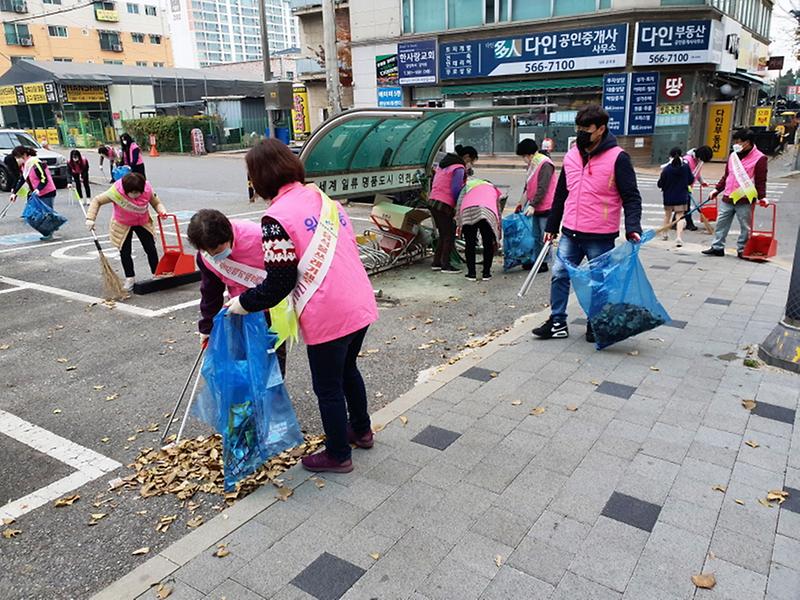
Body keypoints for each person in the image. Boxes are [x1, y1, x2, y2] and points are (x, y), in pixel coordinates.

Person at [226, 139, 378, 474]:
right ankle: (362, 430)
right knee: (348, 369)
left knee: (328, 386)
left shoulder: (275, 217)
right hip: (359, 300)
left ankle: (338, 454)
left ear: (260, 177)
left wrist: (242, 303)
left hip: (329, 310)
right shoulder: (325, 200)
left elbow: (279, 283)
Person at [533, 105, 643, 341]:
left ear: (601, 129)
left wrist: (633, 227)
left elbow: (631, 197)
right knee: (559, 275)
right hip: (570, 232)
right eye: (579, 129)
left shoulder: (618, 158)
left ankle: (596, 322)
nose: (581, 134)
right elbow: (561, 194)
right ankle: (557, 322)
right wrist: (551, 227)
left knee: (599, 281)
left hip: (600, 235)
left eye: (587, 129)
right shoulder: (572, 154)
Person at [186, 209, 287, 375]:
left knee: (272, 360)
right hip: (237, 309)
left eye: (218, 251)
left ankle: (272, 398)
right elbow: (211, 292)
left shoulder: (258, 237)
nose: (214, 256)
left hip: (272, 307)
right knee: (242, 361)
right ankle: (247, 399)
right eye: (208, 252)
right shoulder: (205, 254)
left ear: (229, 235)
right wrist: (207, 327)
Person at [86, 172, 166, 290]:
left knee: (150, 248)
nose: (135, 195)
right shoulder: (116, 192)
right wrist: (90, 219)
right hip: (123, 224)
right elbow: (97, 201)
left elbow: (156, 202)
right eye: (132, 193)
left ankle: (156, 273)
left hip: (142, 222)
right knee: (125, 251)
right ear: (125, 189)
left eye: (138, 192)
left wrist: (162, 211)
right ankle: (130, 278)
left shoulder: (147, 189)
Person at [702, 129, 768, 259]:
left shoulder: (760, 158)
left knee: (745, 226)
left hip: (745, 198)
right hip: (728, 196)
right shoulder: (733, 156)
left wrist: (762, 197)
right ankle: (717, 247)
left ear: (747, 143)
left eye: (738, 142)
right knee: (721, 223)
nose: (736, 144)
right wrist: (717, 189)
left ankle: (742, 249)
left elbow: (761, 180)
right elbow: (727, 175)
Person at [428, 144, 478, 274]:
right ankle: (446, 265)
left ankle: (437, 262)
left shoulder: (444, 163)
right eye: (471, 161)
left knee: (443, 234)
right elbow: (456, 189)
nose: (471, 164)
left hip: (433, 201)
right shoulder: (458, 168)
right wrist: (459, 204)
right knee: (449, 234)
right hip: (444, 203)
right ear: (466, 157)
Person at [516, 138, 556, 273]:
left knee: (545, 237)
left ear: (530, 154)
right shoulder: (533, 164)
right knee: (536, 236)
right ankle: (537, 260)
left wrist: (532, 204)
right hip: (536, 206)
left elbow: (542, 188)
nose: (524, 159)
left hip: (546, 206)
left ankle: (543, 262)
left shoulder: (545, 164)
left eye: (524, 156)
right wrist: (522, 203)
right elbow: (528, 185)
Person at [456, 178, 501, 281]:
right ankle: (486, 273)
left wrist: (459, 223)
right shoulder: (492, 188)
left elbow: (459, 203)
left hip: (469, 211)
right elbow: (498, 210)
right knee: (488, 243)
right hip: (487, 212)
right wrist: (498, 231)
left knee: (470, 243)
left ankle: (471, 273)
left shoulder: (468, 186)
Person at [9, 146, 58, 240]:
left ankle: (50, 232)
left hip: (47, 191)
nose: (17, 160)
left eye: (17, 157)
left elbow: (44, 178)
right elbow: (22, 179)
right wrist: (14, 193)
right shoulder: (25, 166)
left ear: (23, 155)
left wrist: (38, 189)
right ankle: (51, 227)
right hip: (36, 193)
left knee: (46, 213)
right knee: (33, 215)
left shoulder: (35, 163)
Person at [657, 147, 694, 248]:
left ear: (670, 156)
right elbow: (691, 180)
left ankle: (665, 234)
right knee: (680, 216)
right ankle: (678, 237)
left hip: (668, 196)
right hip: (681, 196)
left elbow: (660, 184)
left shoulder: (667, 169)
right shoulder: (686, 167)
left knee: (667, 216)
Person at [682, 145, 713, 231]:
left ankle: (675, 221)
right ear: (699, 156)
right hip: (682, 187)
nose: (702, 161)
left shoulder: (699, 161)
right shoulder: (687, 161)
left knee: (683, 205)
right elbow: (682, 175)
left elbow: (697, 174)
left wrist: (702, 182)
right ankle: (689, 223)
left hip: (689, 186)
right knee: (686, 205)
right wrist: (685, 185)